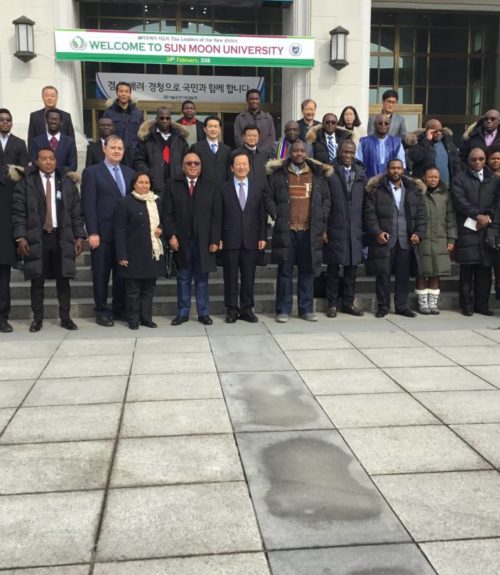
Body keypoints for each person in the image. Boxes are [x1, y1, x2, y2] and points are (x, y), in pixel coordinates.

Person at [11, 148, 85, 332]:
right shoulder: (27, 183)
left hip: (61, 237)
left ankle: (65, 318)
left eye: (52, 158)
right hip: (37, 237)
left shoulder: (67, 183)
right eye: (44, 159)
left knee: (63, 280)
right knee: (37, 280)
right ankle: (37, 319)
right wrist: (20, 236)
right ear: (37, 162)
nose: (49, 162)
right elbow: (19, 213)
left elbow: (76, 213)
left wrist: (79, 236)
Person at [265, 140, 331, 323]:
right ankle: (283, 310)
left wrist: (321, 216)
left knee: (307, 271)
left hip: (309, 231)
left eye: (302, 151)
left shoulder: (317, 175)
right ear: (290, 153)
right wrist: (276, 214)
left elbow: (326, 199)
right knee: (284, 271)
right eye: (296, 151)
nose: (299, 154)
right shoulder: (279, 174)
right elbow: (268, 196)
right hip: (287, 231)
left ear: (306, 153)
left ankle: (306, 309)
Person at [81, 135, 135, 326]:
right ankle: (102, 311)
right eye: (113, 148)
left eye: (120, 148)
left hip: (124, 235)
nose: (116, 151)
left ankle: (119, 309)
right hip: (102, 234)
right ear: (104, 149)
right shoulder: (92, 172)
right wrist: (92, 232)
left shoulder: (130, 173)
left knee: (122, 275)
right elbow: (88, 205)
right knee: (101, 275)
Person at [163, 152, 221, 326]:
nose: (193, 166)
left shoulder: (211, 185)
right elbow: (167, 214)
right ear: (183, 166)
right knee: (183, 277)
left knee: (202, 279)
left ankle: (203, 313)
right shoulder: (172, 184)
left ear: (201, 166)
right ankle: (183, 312)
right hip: (181, 241)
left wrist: (215, 239)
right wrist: (171, 235)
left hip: (204, 241)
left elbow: (216, 215)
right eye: (189, 163)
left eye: (196, 163)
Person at [364, 159, 426, 318]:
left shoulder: (413, 190)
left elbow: (421, 215)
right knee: (382, 275)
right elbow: (370, 214)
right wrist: (377, 232)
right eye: (393, 168)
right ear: (387, 169)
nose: (396, 171)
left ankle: (402, 306)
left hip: (405, 240)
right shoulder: (376, 189)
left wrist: (419, 234)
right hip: (384, 240)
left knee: (403, 276)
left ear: (403, 170)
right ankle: (383, 306)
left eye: (399, 168)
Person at [220, 153, 267, 323]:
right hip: (229, 238)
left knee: (248, 277)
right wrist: (218, 237)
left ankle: (247, 309)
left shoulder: (257, 187)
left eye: (244, 164)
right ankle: (232, 309)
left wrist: (262, 236)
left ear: (249, 167)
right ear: (232, 167)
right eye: (238, 164)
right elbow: (218, 214)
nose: (241, 167)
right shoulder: (223, 188)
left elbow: (262, 214)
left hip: (251, 239)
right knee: (230, 276)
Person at [452, 147, 498, 316]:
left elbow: (496, 202)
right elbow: (459, 201)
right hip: (468, 228)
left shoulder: (493, 179)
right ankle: (467, 305)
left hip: (487, 229)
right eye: (474, 159)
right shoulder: (460, 178)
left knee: (485, 271)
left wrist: (488, 218)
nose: (478, 162)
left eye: (481, 159)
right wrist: (477, 216)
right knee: (467, 271)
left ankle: (482, 305)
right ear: (468, 161)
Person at [115, 172, 164, 330]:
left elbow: (163, 221)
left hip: (151, 252)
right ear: (134, 184)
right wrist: (121, 254)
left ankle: (146, 318)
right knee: (133, 290)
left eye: (147, 183)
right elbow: (120, 230)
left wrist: (161, 229)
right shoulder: (125, 202)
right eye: (141, 182)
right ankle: (133, 319)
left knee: (148, 289)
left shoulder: (156, 201)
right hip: (133, 252)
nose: (144, 186)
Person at [324, 140, 367, 318]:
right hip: (335, 225)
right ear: (339, 152)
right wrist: (324, 228)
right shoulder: (330, 171)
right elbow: (325, 201)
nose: (348, 155)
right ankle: (332, 303)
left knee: (352, 268)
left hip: (355, 227)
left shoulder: (361, 172)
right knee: (333, 267)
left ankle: (348, 302)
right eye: (345, 152)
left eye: (351, 152)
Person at [0, 108, 30, 333]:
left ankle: (3, 316)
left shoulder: (19, 143)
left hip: (8, 205)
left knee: (3, 274)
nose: (5, 123)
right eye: (1, 120)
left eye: (8, 120)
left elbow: (23, 170)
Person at [414, 166, 457, 314]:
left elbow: (451, 218)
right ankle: (422, 301)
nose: (433, 179)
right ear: (424, 178)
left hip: (440, 238)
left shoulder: (445, 195)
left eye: (436, 177)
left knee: (436, 272)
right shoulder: (418, 193)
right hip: (422, 238)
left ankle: (433, 302)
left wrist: (451, 239)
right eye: (430, 177)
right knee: (422, 271)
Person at [134, 107, 189, 196]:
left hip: (176, 186)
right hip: (154, 187)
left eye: (167, 118)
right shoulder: (147, 138)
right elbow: (138, 160)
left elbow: (187, 160)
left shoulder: (180, 139)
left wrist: (181, 174)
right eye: (162, 118)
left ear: (170, 119)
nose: (164, 120)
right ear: (156, 119)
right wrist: (150, 173)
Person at [407, 119, 461, 186]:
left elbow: (456, 163)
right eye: (435, 131)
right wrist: (427, 140)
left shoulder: (447, 142)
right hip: (424, 187)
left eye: (440, 131)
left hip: (446, 186)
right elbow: (416, 157)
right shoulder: (419, 142)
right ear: (428, 131)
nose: (439, 133)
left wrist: (457, 182)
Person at [356, 113, 406, 179]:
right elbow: (358, 164)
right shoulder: (364, 142)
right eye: (380, 123)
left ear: (389, 126)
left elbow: (402, 165)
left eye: (386, 123)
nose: (383, 125)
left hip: (390, 182)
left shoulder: (397, 142)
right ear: (374, 125)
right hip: (369, 182)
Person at [103, 81, 143, 159]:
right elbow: (103, 133)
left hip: (133, 154)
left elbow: (142, 135)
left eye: (126, 91)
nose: (124, 94)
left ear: (130, 93)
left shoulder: (137, 113)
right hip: (114, 153)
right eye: (121, 91)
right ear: (117, 93)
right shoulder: (109, 113)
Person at [191, 116, 231, 186]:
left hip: (222, 188)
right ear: (204, 129)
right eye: (210, 126)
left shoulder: (227, 149)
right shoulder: (196, 148)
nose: (213, 129)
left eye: (216, 126)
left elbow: (229, 171)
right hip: (203, 188)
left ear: (220, 129)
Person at [486, 145, 500, 299]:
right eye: (493, 158)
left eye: (498, 158)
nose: (496, 161)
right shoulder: (486, 177)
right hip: (489, 220)